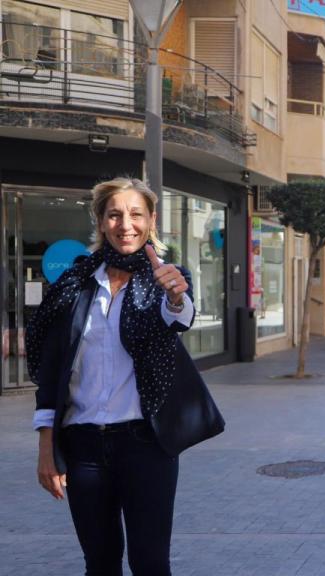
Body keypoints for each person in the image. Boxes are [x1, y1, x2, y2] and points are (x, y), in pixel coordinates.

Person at [29, 177, 199, 575]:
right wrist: (46, 449)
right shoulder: (75, 283)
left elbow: (179, 317)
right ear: (101, 221)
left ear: (151, 219)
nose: (127, 224)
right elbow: (53, 368)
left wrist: (176, 296)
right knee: (100, 563)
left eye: (136, 214)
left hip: (146, 445)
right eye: (115, 214)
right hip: (83, 445)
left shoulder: (166, 278)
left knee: (151, 563)